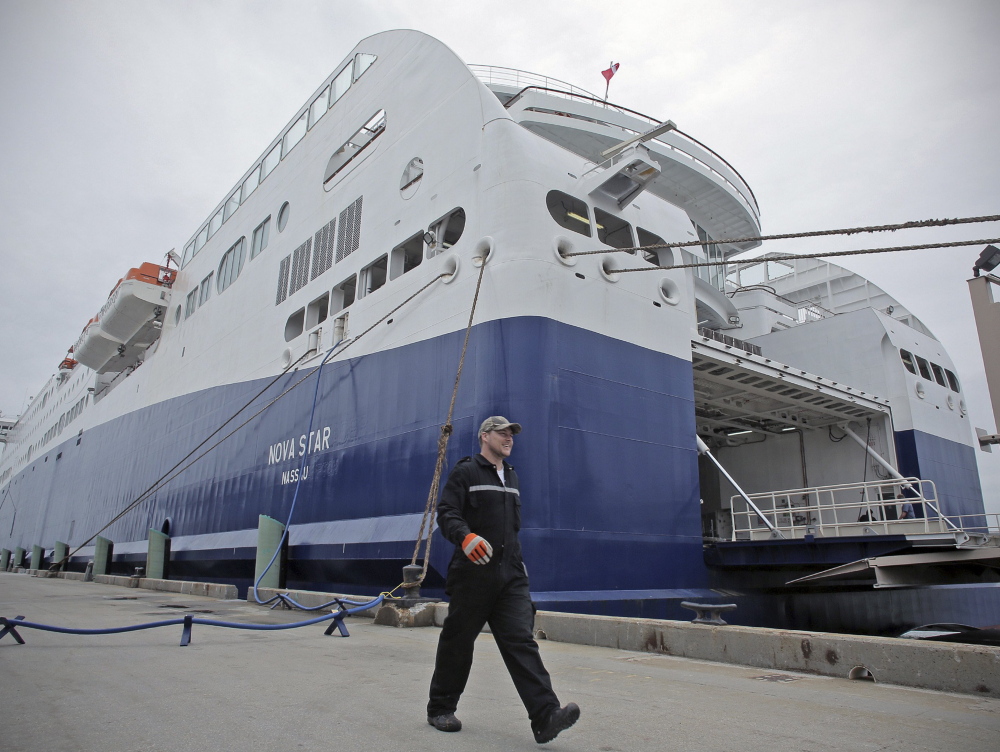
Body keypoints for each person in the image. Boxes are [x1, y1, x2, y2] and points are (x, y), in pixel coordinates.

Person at [426, 416, 580, 744]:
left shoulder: (511, 476)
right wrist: (465, 537)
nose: (509, 437)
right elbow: (447, 513)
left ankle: (545, 717)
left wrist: (517, 568)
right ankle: (440, 707)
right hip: (473, 573)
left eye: (511, 433)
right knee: (458, 640)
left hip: (510, 575)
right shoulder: (466, 471)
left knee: (521, 641)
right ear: (485, 436)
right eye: (502, 433)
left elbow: (511, 529)